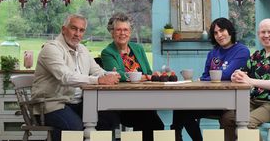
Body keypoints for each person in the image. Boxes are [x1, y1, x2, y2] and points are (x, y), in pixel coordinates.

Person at [31, 14, 121, 141]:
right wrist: (98, 80)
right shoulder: (51, 48)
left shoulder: (83, 49)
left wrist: (109, 75)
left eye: (81, 30)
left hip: (78, 103)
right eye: (73, 28)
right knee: (73, 127)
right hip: (51, 104)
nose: (77, 33)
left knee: (110, 119)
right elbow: (65, 77)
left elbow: (97, 71)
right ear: (63, 29)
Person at [171, 17, 250, 141]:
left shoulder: (242, 51)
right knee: (181, 107)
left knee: (227, 119)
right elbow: (205, 75)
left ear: (230, 31)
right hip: (210, 100)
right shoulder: (212, 53)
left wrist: (204, 79)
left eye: (222, 30)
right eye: (215, 33)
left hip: (230, 102)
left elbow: (226, 75)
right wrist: (205, 79)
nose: (219, 35)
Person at [221, 18, 270, 141]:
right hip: (256, 101)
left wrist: (251, 81)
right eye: (263, 32)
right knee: (227, 118)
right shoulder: (257, 56)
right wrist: (236, 76)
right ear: (258, 35)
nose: (266, 35)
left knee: (246, 122)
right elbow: (243, 73)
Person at [101, 12, 164, 141]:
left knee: (156, 125)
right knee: (152, 124)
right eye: (118, 30)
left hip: (144, 100)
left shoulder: (138, 48)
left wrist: (151, 75)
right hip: (121, 103)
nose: (122, 33)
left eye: (125, 29)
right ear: (112, 32)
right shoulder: (107, 52)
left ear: (130, 32)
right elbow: (118, 76)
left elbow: (148, 71)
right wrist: (145, 77)